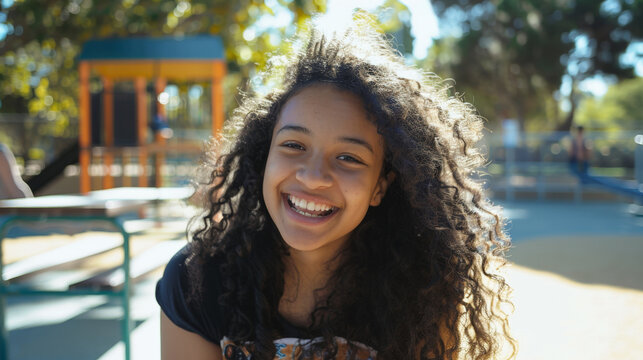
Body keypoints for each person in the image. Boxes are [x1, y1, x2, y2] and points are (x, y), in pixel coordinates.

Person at [157, 19, 515, 360]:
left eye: (348, 157)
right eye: (294, 145)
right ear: (264, 156)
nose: (313, 177)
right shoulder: (196, 279)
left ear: (380, 187)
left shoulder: (423, 287)